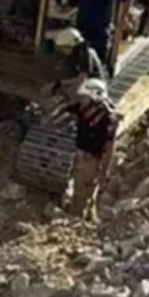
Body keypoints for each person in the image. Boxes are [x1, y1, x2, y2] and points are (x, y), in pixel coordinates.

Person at [58, 0, 133, 78]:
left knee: (97, 63)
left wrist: (123, 18)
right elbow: (69, 5)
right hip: (82, 30)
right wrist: (60, 4)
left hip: (99, 32)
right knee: (79, 62)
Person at [61, 79, 119, 221]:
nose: (82, 100)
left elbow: (110, 147)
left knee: (82, 193)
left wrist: (104, 171)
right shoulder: (84, 109)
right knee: (80, 189)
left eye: (85, 97)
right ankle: (88, 219)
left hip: (91, 159)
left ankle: (75, 222)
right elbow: (67, 108)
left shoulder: (106, 118)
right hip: (80, 154)